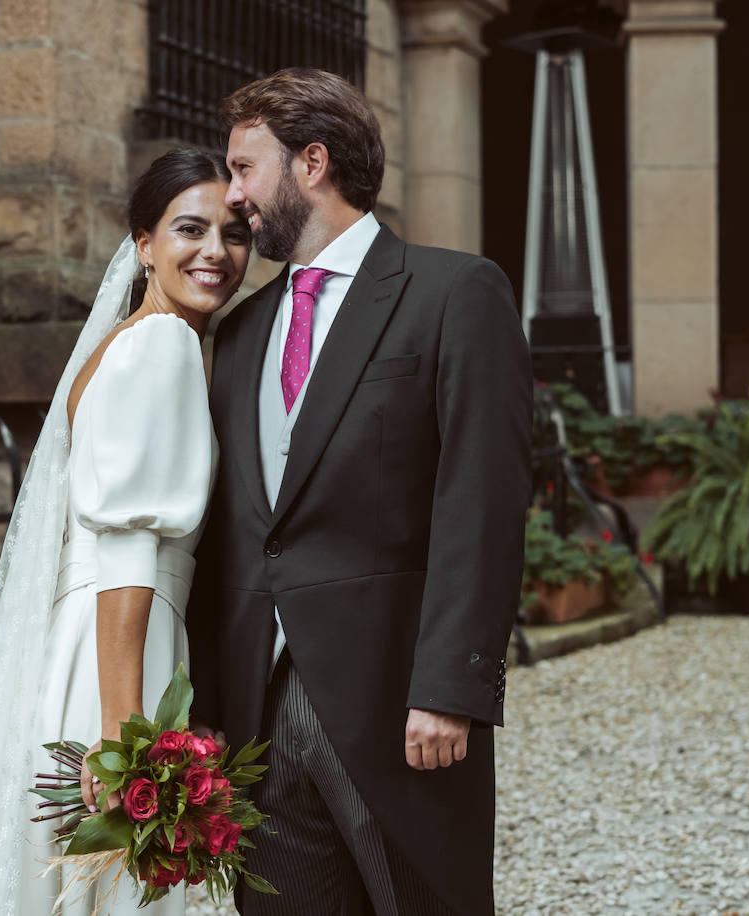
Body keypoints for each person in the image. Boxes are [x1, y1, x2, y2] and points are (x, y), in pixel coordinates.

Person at [185, 68, 533, 916]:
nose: (233, 198)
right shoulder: (239, 331)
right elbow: (234, 529)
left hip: (395, 706)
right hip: (257, 715)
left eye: (244, 168)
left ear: (313, 162)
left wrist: (451, 687)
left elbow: (480, 503)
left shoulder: (454, 293)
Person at [0, 148, 250, 916]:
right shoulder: (161, 346)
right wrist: (123, 733)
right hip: (121, 651)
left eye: (234, 235)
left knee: (76, 893)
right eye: (189, 229)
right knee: (112, 890)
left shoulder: (120, 345)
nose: (214, 253)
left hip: (91, 642)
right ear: (142, 243)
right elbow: (130, 542)